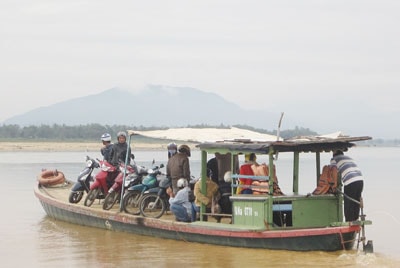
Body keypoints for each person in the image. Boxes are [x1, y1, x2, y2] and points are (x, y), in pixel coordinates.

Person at [330, 150, 364, 222]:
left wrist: (334, 186)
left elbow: (333, 173)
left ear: (334, 153)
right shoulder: (348, 158)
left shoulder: (334, 160)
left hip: (350, 181)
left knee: (348, 202)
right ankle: (355, 219)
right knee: (356, 201)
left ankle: (349, 221)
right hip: (360, 180)